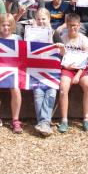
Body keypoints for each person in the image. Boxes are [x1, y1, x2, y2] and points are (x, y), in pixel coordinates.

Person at [56, 13, 88, 132]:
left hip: (81, 69)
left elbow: (86, 59)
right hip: (67, 68)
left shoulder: (84, 40)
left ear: (79, 26)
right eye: (71, 25)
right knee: (63, 88)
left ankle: (86, 119)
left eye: (76, 25)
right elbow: (61, 56)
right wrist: (63, 60)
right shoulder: (62, 38)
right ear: (67, 25)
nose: (74, 28)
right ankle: (64, 120)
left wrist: (77, 75)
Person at [0, 14, 24, 133]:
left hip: (13, 70)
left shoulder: (17, 38)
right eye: (3, 25)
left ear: (13, 26)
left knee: (16, 89)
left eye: (9, 25)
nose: (6, 27)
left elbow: (23, 56)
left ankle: (15, 120)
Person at [25, 9, 57, 137]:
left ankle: (43, 123)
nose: (41, 21)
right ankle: (45, 124)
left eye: (43, 19)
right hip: (36, 71)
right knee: (38, 94)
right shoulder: (30, 33)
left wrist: (50, 35)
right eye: (38, 19)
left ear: (49, 19)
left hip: (51, 72)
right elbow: (25, 49)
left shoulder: (55, 33)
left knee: (51, 93)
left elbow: (61, 51)